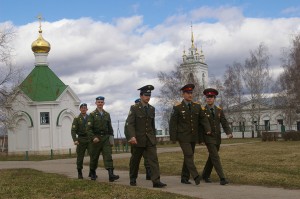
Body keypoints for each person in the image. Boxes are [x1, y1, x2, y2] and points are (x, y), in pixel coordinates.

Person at [169, 84, 211, 185]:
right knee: (188, 155)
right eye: (188, 93)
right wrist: (173, 137)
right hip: (183, 136)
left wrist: (208, 128)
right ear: (183, 94)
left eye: (191, 93)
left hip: (193, 136)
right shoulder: (178, 107)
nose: (190, 95)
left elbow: (203, 118)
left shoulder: (197, 106)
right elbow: (173, 123)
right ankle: (196, 176)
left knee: (189, 157)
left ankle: (184, 178)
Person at [126, 85, 167, 188]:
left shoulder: (151, 109)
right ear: (141, 96)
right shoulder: (134, 108)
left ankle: (156, 181)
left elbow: (152, 125)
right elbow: (130, 124)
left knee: (153, 160)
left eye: (149, 95)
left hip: (150, 140)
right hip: (138, 139)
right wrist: (132, 136)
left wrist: (153, 137)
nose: (148, 97)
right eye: (146, 95)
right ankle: (133, 178)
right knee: (135, 160)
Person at [200, 88, 233, 185]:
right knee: (215, 156)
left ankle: (205, 175)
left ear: (214, 99)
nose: (209, 99)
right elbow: (200, 126)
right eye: (207, 97)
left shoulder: (219, 110)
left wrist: (228, 132)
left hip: (217, 137)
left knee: (212, 157)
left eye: (211, 97)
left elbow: (224, 122)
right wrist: (201, 139)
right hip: (208, 137)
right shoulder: (202, 110)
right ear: (206, 99)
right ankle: (222, 178)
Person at [87, 96, 119, 182]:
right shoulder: (92, 115)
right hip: (96, 139)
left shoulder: (107, 114)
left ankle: (111, 174)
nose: (100, 104)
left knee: (108, 156)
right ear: (96, 103)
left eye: (101, 102)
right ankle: (93, 172)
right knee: (94, 157)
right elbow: (89, 129)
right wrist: (93, 137)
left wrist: (111, 140)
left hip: (105, 138)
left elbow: (110, 128)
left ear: (103, 103)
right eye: (98, 102)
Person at [124, 98, 151, 180]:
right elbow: (127, 128)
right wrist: (130, 138)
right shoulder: (132, 116)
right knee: (135, 159)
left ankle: (149, 173)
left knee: (148, 158)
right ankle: (133, 176)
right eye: (137, 104)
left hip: (145, 140)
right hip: (135, 141)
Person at [71, 103, 91, 179]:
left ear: (87, 109)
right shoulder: (76, 118)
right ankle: (79, 172)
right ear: (80, 109)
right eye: (82, 108)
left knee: (93, 156)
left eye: (85, 108)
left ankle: (92, 172)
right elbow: (73, 130)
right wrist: (75, 140)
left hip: (89, 139)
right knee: (80, 157)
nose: (83, 109)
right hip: (81, 139)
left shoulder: (90, 118)